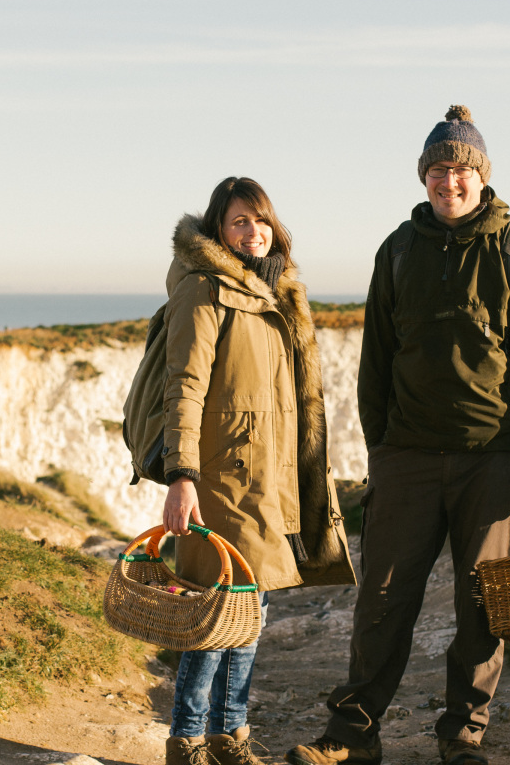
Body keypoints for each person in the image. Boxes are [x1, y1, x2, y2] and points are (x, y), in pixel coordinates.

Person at [286, 106, 510, 765]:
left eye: (460, 169)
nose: (450, 181)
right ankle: (353, 735)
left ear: (480, 177)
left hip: (495, 460)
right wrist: (382, 449)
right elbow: (376, 363)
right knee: (382, 598)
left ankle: (463, 738)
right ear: (424, 178)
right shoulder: (396, 250)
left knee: (483, 605)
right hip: (408, 459)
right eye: (438, 170)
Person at [161, 177, 356, 765]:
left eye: (261, 221)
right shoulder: (204, 290)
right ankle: (187, 741)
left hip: (272, 481)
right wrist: (181, 474)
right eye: (240, 221)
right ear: (218, 228)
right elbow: (186, 386)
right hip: (222, 480)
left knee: (253, 613)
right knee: (215, 614)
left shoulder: (278, 296)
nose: (253, 232)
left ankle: (231, 738)